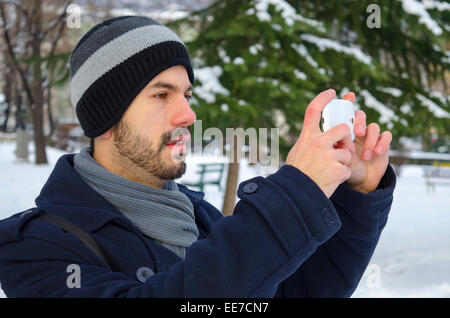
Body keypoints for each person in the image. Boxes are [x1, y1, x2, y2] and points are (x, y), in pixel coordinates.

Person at [0, 16, 396, 298]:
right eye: (161, 94)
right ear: (105, 119)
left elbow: (298, 291)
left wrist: (357, 195)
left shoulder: (200, 217)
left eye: (187, 95)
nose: (188, 115)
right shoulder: (37, 248)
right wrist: (294, 192)